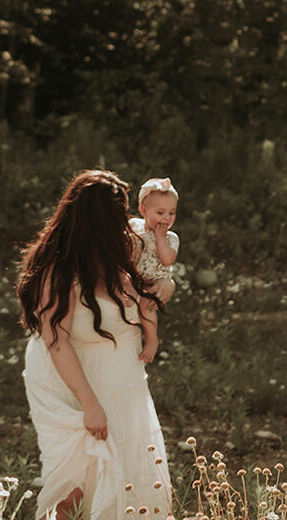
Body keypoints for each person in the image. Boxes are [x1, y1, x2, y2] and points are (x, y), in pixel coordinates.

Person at [18, 170, 172, 520]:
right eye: (117, 215)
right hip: (69, 377)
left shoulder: (121, 245)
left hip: (122, 377)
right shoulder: (58, 267)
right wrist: (90, 404)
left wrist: (167, 287)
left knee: (131, 469)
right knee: (79, 477)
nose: (126, 222)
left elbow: (156, 274)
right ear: (96, 221)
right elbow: (56, 341)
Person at [129, 178, 179, 363]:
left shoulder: (171, 238)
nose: (166, 218)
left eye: (171, 213)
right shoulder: (135, 226)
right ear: (143, 211)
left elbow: (167, 260)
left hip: (155, 283)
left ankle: (151, 340)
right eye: (160, 212)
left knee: (147, 307)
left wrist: (160, 238)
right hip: (134, 277)